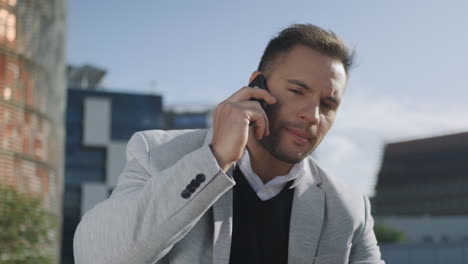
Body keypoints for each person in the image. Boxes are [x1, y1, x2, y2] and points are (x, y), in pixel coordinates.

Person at [74, 24, 384, 264]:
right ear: (256, 85)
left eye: (328, 104)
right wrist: (214, 160)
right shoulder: (157, 154)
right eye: (297, 91)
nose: (312, 116)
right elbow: (94, 254)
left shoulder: (348, 207)